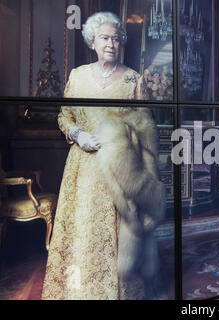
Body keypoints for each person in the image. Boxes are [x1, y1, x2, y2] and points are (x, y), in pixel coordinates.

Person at [42, 11, 166, 300]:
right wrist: (77, 134)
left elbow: (145, 129)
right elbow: (65, 116)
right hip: (81, 169)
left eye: (115, 39)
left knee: (119, 233)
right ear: (93, 43)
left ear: (121, 42)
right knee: (81, 232)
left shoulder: (133, 80)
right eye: (104, 38)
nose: (110, 44)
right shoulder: (78, 76)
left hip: (119, 169)